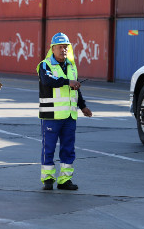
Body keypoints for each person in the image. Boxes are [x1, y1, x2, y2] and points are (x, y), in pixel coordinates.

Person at [37, 32, 92, 191]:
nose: (64, 50)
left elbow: (76, 89)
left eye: (66, 47)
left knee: (68, 149)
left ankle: (64, 180)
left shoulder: (71, 66)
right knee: (49, 148)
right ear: (52, 49)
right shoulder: (45, 65)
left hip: (69, 116)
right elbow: (48, 81)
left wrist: (83, 106)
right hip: (51, 116)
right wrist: (68, 82)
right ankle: (48, 179)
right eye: (60, 47)